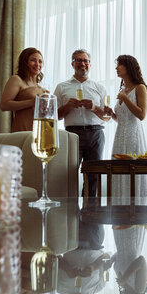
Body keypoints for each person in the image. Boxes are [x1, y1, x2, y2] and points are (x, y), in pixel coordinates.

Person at [54, 49, 110, 197]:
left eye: (85, 61)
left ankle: (90, 213)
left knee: (93, 176)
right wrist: (67, 107)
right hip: (72, 135)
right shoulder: (61, 87)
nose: (82, 63)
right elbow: (54, 117)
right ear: (72, 64)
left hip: (96, 134)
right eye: (78, 60)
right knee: (69, 175)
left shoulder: (100, 88)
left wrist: (94, 107)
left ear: (90, 65)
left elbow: (107, 117)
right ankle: (69, 213)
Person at [104, 55, 147, 197]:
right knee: (119, 173)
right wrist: (112, 114)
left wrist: (125, 99)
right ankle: (120, 211)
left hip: (133, 135)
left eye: (120, 65)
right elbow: (122, 119)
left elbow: (142, 115)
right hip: (120, 136)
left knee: (132, 173)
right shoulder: (123, 90)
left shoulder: (140, 88)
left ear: (129, 67)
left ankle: (136, 211)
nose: (116, 68)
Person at [57, 220, 110, 294]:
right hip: (95, 238)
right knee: (94, 205)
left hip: (71, 239)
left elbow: (51, 255)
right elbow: (109, 256)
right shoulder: (99, 287)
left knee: (70, 205)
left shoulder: (58, 287)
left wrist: (67, 268)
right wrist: (93, 266)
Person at [109, 224, 147, 294]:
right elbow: (141, 261)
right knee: (129, 211)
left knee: (119, 210)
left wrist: (110, 262)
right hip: (132, 235)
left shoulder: (123, 285)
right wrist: (125, 278)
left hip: (119, 235)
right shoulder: (139, 289)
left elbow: (120, 254)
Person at [0, 47, 46, 132]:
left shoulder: (42, 90)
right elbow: (4, 105)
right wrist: (32, 102)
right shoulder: (17, 79)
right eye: (33, 60)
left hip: (39, 133)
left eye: (40, 61)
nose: (37, 64)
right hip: (22, 131)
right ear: (25, 62)